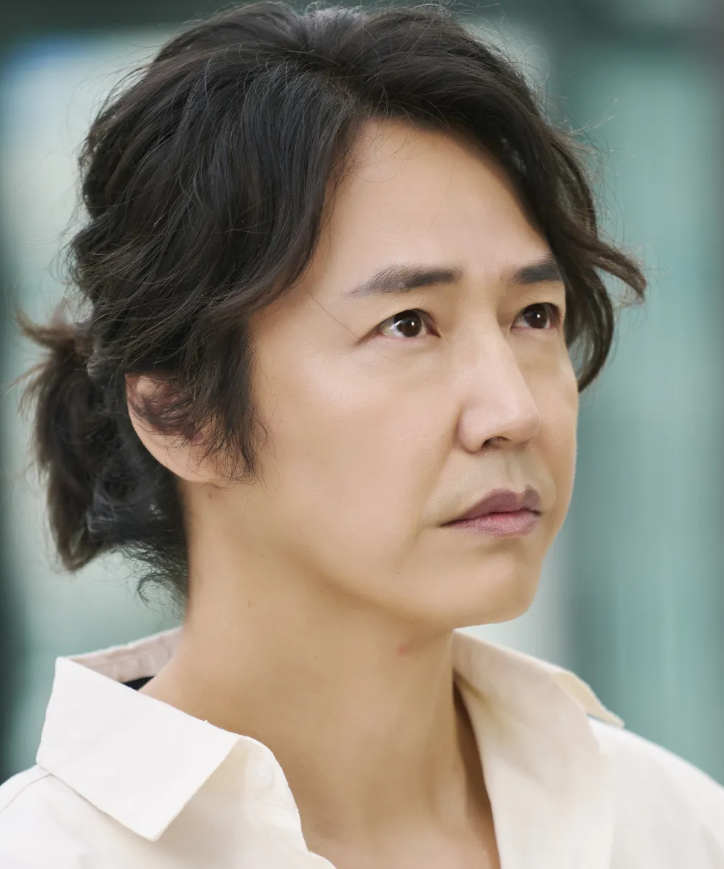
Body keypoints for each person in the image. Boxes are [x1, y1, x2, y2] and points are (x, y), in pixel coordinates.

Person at [1, 1, 722, 867]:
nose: (512, 411)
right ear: (179, 414)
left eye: (534, 314)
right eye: (408, 324)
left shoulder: (672, 830)